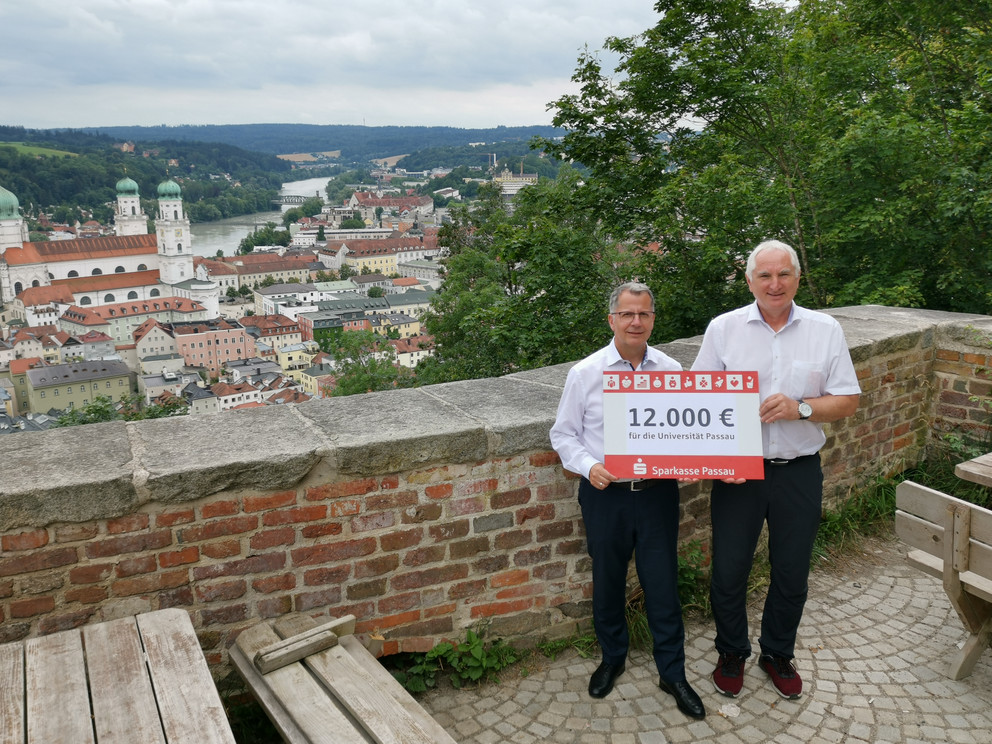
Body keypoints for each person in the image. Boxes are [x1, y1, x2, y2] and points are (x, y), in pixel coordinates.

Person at [691, 240, 860, 700]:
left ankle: (777, 653)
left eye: (783, 274)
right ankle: (731, 651)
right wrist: (716, 461)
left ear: (797, 278)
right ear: (750, 282)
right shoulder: (723, 329)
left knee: (792, 571)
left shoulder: (825, 330)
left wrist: (800, 407)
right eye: (764, 276)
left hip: (799, 470)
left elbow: (847, 399)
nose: (774, 284)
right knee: (728, 570)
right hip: (737, 473)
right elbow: (699, 401)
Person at [550, 281, 705, 720]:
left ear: (653, 319)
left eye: (644, 314)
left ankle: (671, 671)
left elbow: (689, 431)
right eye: (627, 314)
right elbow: (563, 435)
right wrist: (587, 464)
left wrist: (704, 459)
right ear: (612, 319)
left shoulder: (672, 370)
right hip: (606, 496)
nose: (636, 321)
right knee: (608, 580)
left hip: (658, 494)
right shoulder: (586, 372)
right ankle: (612, 657)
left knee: (662, 584)